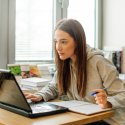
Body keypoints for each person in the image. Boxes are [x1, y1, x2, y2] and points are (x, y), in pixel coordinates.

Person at [24, 19, 125, 125]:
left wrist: (107, 102)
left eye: (63, 42)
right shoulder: (66, 62)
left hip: (107, 120)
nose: (58, 47)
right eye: (56, 41)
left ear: (78, 41)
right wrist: (40, 95)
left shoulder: (99, 62)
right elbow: (54, 87)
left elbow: (122, 94)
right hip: (81, 117)